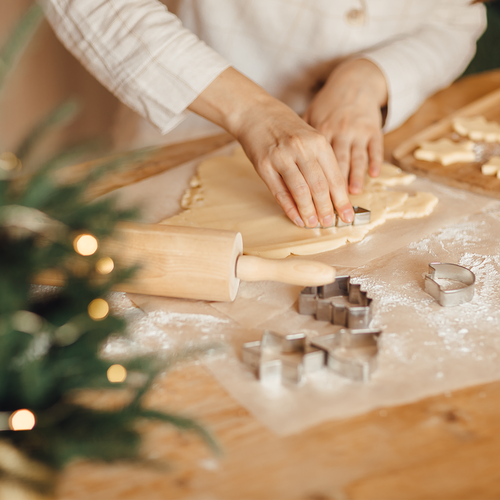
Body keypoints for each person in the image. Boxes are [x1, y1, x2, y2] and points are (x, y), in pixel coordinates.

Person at [41, 0, 486, 228]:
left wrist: (370, 78)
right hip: (185, 139)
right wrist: (250, 110)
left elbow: (457, 19)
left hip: (381, 136)